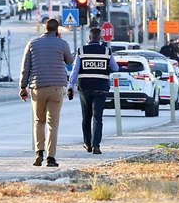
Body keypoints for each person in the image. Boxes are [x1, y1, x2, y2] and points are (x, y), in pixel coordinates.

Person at [18, 17, 74, 168]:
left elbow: (25, 67)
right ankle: (51, 158)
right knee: (53, 124)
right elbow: (70, 61)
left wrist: (23, 87)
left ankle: (39, 153)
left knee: (39, 121)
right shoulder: (62, 43)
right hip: (57, 87)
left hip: (38, 87)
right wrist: (61, 43)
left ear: (44, 27)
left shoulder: (32, 43)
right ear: (57, 30)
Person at [69, 26, 118, 155]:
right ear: (100, 38)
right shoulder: (107, 51)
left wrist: (70, 86)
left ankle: (87, 143)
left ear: (89, 38)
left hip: (85, 88)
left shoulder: (81, 51)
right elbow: (116, 68)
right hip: (101, 88)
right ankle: (96, 145)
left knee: (86, 117)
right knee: (98, 117)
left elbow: (75, 70)